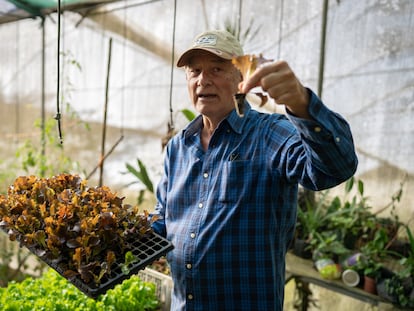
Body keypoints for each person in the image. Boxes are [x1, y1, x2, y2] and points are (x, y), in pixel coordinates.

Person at [151, 30, 358, 311]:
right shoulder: (179, 147)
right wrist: (123, 238)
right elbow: (163, 214)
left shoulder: (269, 133)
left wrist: (300, 102)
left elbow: (334, 168)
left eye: (216, 68)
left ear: (241, 78)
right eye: (195, 70)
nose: (203, 80)